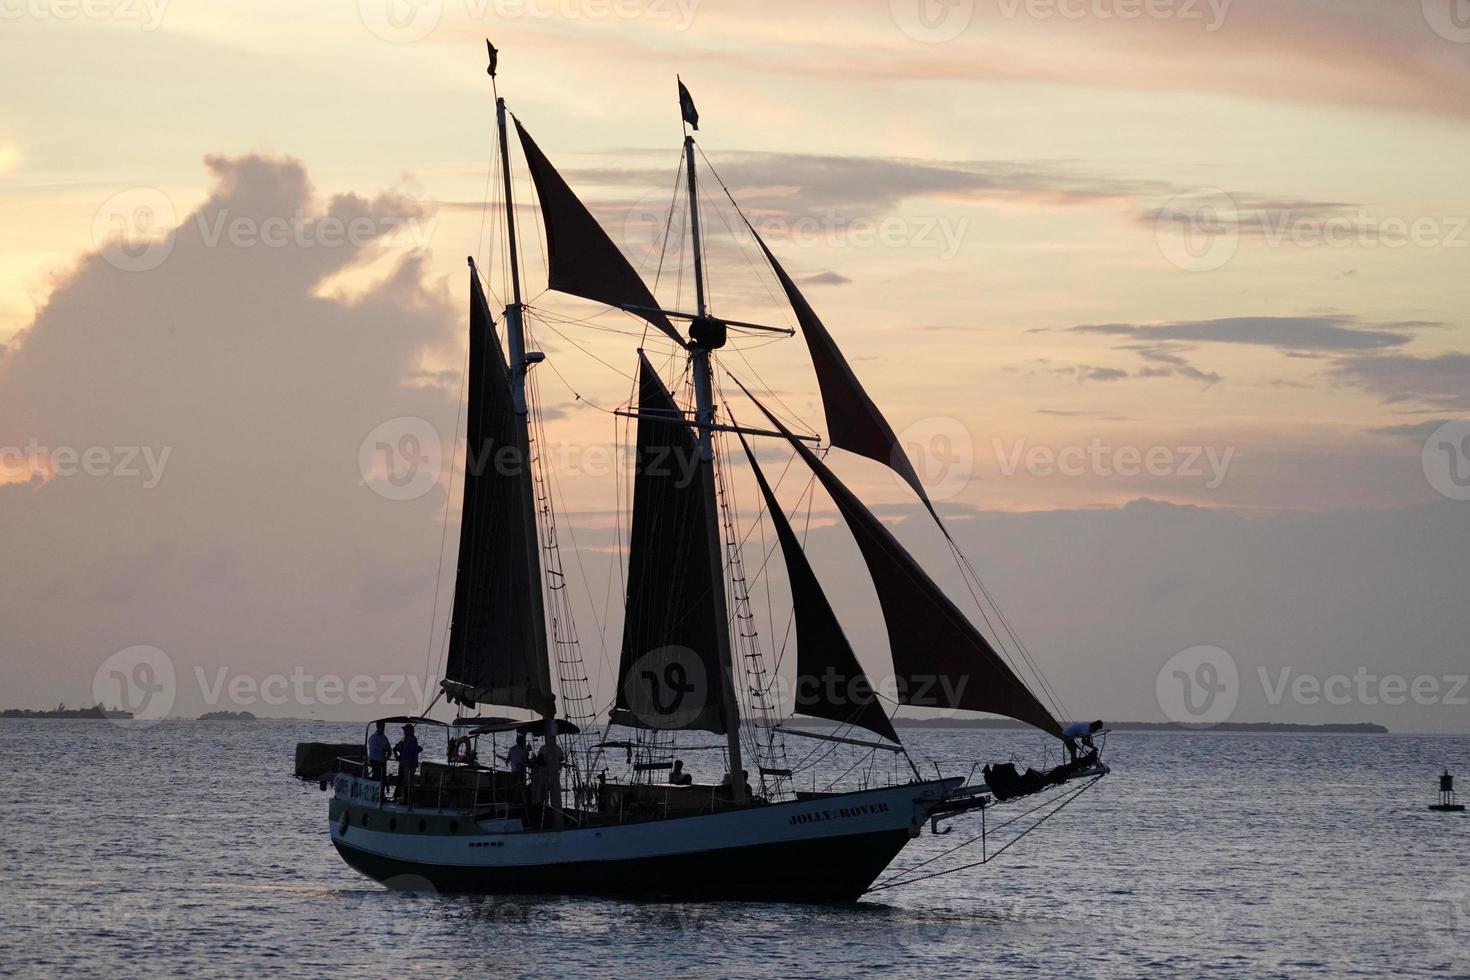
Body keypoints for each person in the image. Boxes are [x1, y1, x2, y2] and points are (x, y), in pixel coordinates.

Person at [394, 723, 422, 804]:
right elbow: (395, 748)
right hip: (404, 764)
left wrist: (401, 751)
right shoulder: (404, 740)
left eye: (405, 730)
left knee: (407, 782)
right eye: (404, 730)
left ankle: (406, 799)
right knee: (402, 782)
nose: (404, 731)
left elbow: (412, 751)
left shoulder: (413, 740)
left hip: (410, 764)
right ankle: (400, 798)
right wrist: (397, 756)